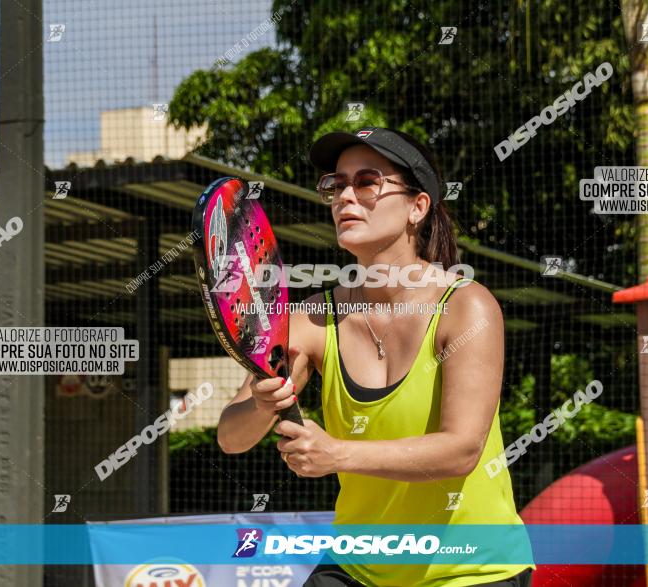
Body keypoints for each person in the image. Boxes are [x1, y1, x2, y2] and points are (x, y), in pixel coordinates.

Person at [217, 127, 534, 586]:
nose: (345, 196)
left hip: (471, 568)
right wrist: (262, 404)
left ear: (417, 207)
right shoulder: (310, 320)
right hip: (360, 567)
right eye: (336, 184)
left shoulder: (467, 306)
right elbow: (231, 437)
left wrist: (337, 453)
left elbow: (462, 449)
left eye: (367, 182)